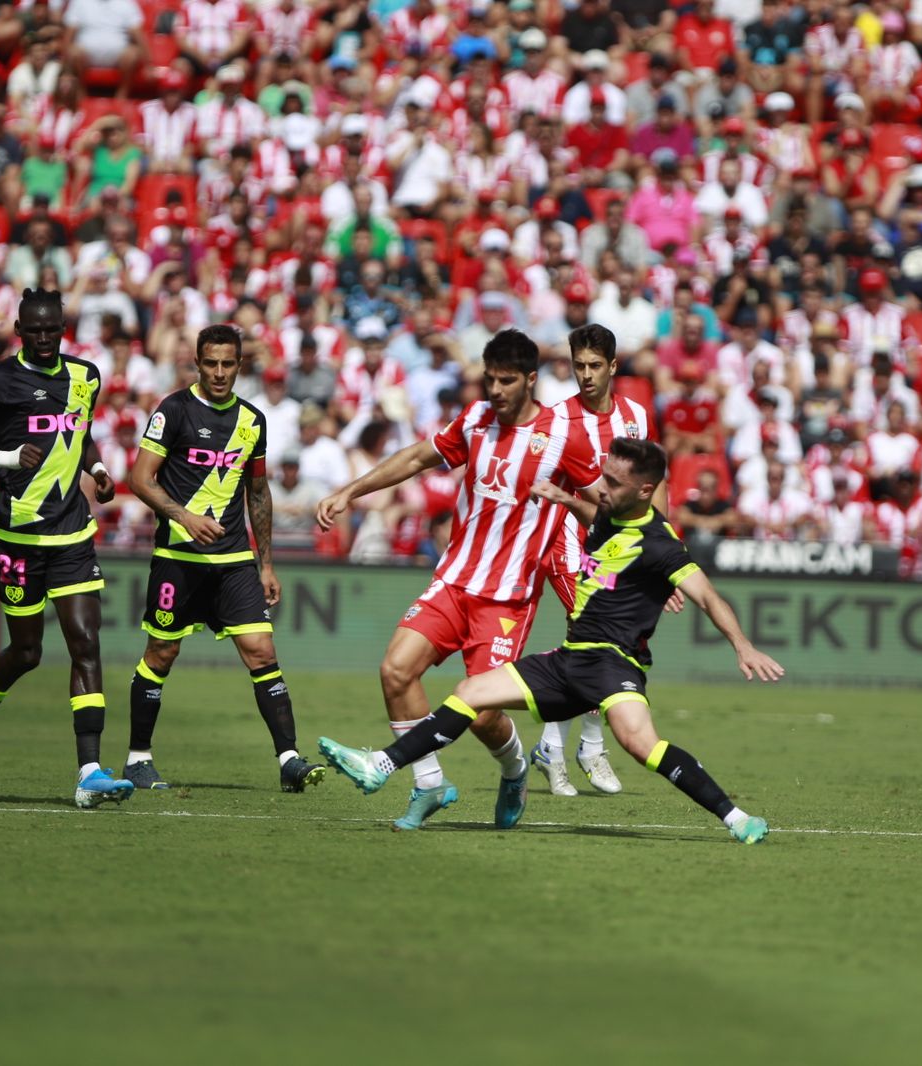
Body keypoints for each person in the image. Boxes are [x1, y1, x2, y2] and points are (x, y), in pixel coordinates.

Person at [317, 438, 785, 844]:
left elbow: (706, 595)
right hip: (565, 662)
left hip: (612, 666)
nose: (603, 488)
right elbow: (594, 514)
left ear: (645, 491)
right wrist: (564, 498)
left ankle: (737, 818)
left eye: (615, 484)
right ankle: (383, 763)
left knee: (642, 745)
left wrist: (743, 646)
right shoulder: (608, 512)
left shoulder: (661, 543)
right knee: (468, 693)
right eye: (603, 477)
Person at [314, 330, 603, 831]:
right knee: (396, 671)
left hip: (507, 600)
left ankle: (514, 770)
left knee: (482, 713)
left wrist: (575, 507)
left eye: (506, 380)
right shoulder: (474, 420)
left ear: (531, 380)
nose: (494, 389)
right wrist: (351, 490)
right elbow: (415, 458)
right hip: (453, 580)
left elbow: (606, 503)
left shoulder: (564, 436)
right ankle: (428, 785)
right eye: (489, 378)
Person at [0, 288, 134, 810]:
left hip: (72, 533)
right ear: (21, 332)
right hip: (17, 537)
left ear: (63, 328)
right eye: (36, 331)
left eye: (54, 330)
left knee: (85, 641)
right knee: (27, 652)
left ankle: (89, 771)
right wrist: (4, 457)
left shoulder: (85, 377)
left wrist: (95, 469)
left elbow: (81, 433)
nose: (46, 339)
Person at [122, 324, 327, 792]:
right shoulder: (173, 410)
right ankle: (138, 757)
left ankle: (289, 760)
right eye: (210, 363)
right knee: (161, 652)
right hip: (178, 557)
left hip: (234, 561)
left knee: (261, 650)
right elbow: (139, 479)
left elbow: (258, 491)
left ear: (240, 365)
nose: (219, 373)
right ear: (197, 363)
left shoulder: (253, 421)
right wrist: (185, 517)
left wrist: (267, 563)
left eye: (228, 364)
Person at [530, 323, 656, 797]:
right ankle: (588, 744)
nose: (585, 375)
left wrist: (658, 557)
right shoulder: (558, 420)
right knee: (598, 641)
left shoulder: (637, 418)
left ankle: (555, 745)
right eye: (578, 366)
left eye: (594, 366)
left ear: (613, 367)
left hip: (613, 548)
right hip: (567, 544)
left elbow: (647, 487)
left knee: (599, 646)